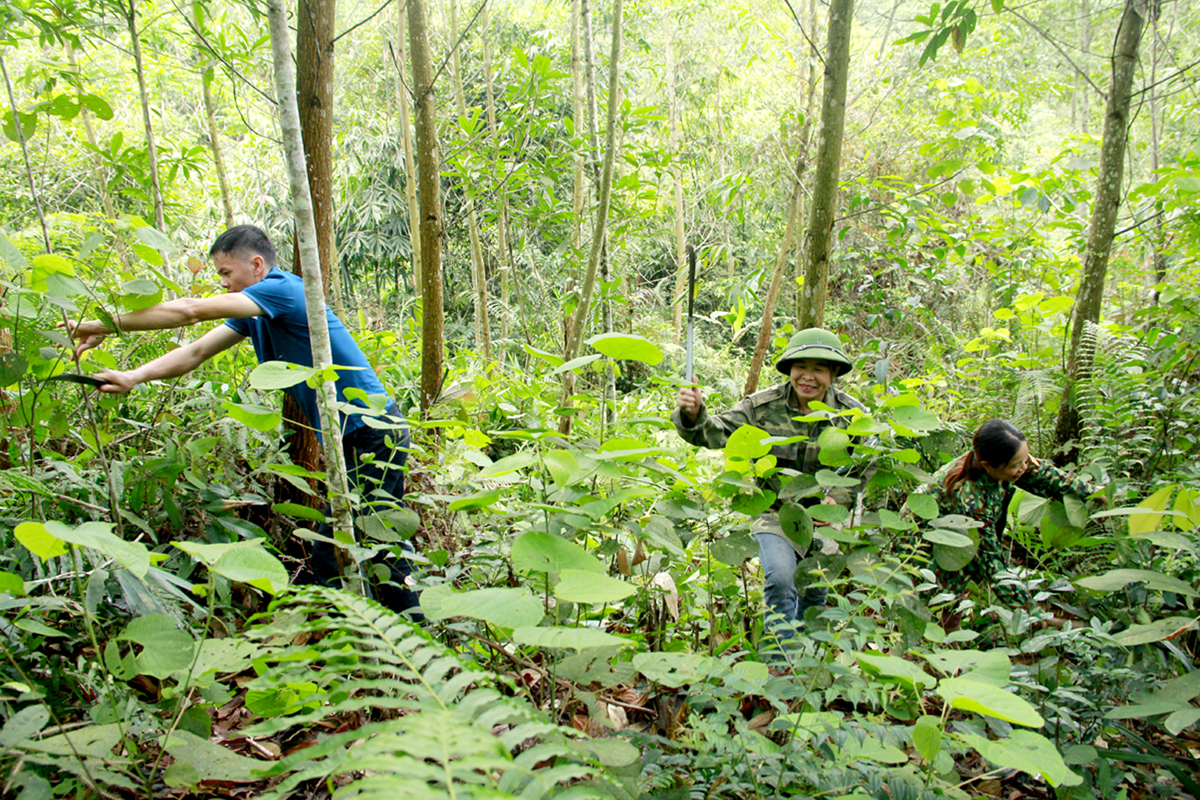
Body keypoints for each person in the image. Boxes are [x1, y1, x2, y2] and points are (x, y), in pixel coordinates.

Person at [68, 224, 419, 615]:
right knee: (359, 538)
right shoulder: (255, 314)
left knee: (352, 546)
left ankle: (401, 639)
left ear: (256, 265)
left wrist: (102, 324)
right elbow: (196, 352)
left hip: (372, 430)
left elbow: (190, 311)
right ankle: (384, 637)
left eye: (225, 274)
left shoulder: (282, 290)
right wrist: (132, 377)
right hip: (353, 435)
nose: (223, 284)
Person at [673, 328, 871, 639]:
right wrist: (694, 413)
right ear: (789, 369)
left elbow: (867, 460)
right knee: (780, 579)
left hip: (826, 516)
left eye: (818, 369)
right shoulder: (762, 407)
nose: (808, 377)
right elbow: (717, 432)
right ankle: (781, 661)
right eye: (800, 367)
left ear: (833, 373)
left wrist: (840, 498)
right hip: (774, 512)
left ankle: (806, 664)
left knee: (815, 590)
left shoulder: (852, 415)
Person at [911, 418, 1098, 604]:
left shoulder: (1005, 457)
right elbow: (992, 562)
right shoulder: (970, 499)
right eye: (1016, 465)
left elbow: (1043, 474)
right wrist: (1032, 614)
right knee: (943, 597)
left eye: (1025, 460)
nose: (1024, 468)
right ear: (987, 465)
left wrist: (1093, 493)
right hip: (922, 537)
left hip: (957, 532)